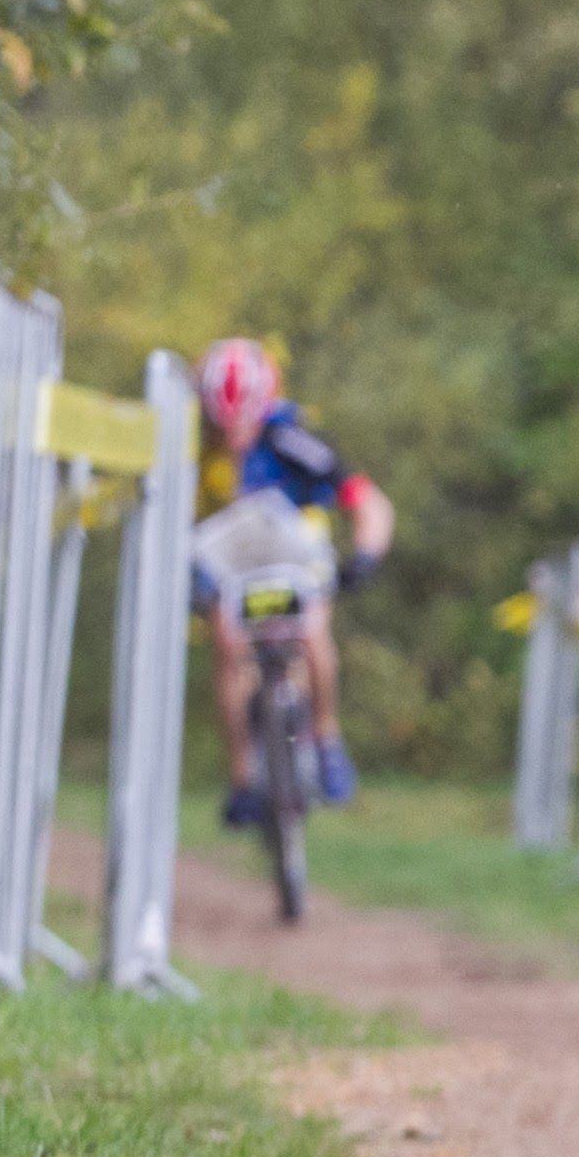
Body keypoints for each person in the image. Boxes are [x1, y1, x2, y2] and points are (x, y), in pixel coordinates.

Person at [194, 338, 394, 826]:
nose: (235, 435)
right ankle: (242, 778)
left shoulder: (292, 442)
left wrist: (365, 557)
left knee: (311, 633)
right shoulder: (195, 451)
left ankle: (326, 741)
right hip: (234, 573)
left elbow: (368, 501)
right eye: (225, 425)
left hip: (298, 565)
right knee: (227, 644)